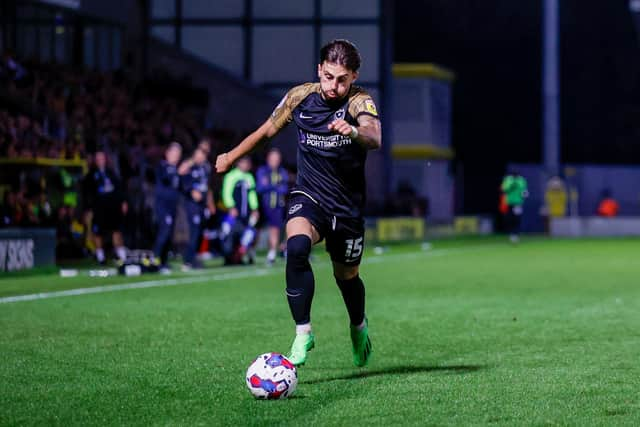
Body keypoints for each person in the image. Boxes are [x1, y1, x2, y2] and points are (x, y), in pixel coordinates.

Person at [215, 39, 382, 367]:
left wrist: (351, 131)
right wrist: (231, 156)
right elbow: (265, 132)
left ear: (353, 77)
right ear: (319, 70)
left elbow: (374, 136)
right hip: (310, 196)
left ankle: (358, 325)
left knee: (347, 277)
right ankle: (304, 332)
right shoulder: (299, 97)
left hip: (347, 207)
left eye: (342, 79)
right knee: (296, 247)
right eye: (329, 76)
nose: (334, 86)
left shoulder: (360, 102)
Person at [83, 149, 128, 264]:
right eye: (98, 159)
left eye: (102, 158)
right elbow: (87, 194)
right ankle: (100, 257)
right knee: (98, 232)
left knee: (117, 230)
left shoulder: (111, 173)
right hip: (99, 208)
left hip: (113, 208)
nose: (100, 160)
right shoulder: (91, 175)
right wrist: (88, 209)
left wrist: (123, 202)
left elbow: (119, 189)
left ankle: (122, 256)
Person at [179, 142, 214, 270]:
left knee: (199, 231)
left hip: (202, 205)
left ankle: (193, 259)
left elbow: (207, 186)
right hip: (191, 204)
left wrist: (210, 203)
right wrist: (192, 191)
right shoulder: (190, 165)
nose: (202, 156)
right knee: (193, 231)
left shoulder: (205, 167)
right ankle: (187, 261)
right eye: (200, 154)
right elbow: (181, 172)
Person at [220, 156, 260, 265]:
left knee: (247, 235)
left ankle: (239, 258)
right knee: (229, 235)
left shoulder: (249, 177)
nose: (246, 165)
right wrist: (231, 206)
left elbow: (252, 195)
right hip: (234, 214)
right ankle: (228, 258)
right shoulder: (231, 176)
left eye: (247, 162)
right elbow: (226, 192)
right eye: (243, 162)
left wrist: (255, 209)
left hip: (246, 215)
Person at [152, 142, 182, 273]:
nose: (176, 156)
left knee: (169, 234)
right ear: (167, 153)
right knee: (164, 232)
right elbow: (165, 178)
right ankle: (155, 260)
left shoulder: (176, 169)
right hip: (163, 206)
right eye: (174, 153)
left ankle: (163, 261)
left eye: (178, 154)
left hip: (172, 206)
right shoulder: (163, 166)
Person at [256, 148, 288, 265]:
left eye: (277, 159)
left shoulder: (282, 172)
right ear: (268, 159)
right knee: (257, 230)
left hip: (278, 206)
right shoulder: (262, 171)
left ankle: (274, 252)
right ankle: (249, 252)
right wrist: (275, 186)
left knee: (277, 229)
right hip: (263, 206)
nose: (275, 161)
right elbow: (260, 188)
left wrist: (270, 185)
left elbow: (284, 189)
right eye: (273, 159)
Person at [501, 170, 529, 243]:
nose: (515, 176)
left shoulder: (522, 180)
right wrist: (512, 184)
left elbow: (524, 190)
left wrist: (524, 195)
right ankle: (511, 234)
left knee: (517, 219)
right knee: (509, 219)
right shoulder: (508, 180)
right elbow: (504, 190)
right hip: (508, 203)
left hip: (518, 203)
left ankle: (515, 234)